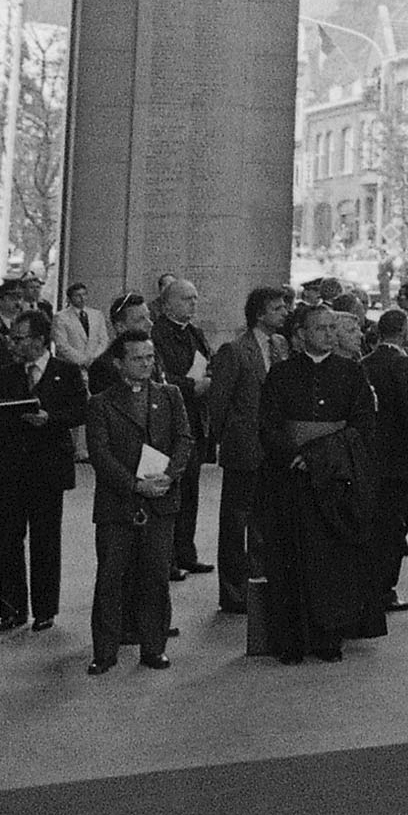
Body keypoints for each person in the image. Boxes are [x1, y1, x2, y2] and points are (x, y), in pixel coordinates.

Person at [257, 304, 379, 663]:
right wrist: (292, 455)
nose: (328, 334)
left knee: (331, 565)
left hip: (334, 481)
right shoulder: (280, 375)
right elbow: (268, 424)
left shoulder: (351, 373)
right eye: (320, 328)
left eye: (331, 328)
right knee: (290, 560)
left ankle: (328, 639)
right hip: (290, 479)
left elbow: (361, 426)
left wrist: (319, 457)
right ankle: (291, 642)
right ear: (301, 334)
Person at [84, 330, 194, 675]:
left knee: (155, 577)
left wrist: (170, 476)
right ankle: (105, 651)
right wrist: (134, 485)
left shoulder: (170, 395)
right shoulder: (101, 403)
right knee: (111, 578)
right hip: (118, 504)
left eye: (150, 357)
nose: (146, 364)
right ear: (119, 364)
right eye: (138, 358)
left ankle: (153, 646)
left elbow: (184, 440)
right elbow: (100, 454)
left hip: (161, 500)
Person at [0, 310, 90, 631]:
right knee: (8, 542)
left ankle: (45, 610)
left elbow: (80, 410)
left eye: (20, 338)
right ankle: (12, 611)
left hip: (47, 469)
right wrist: (12, 416)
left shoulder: (65, 373)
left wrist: (50, 418)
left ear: (41, 340)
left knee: (45, 541)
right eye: (12, 338)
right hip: (9, 468)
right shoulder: (3, 374)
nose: (13, 344)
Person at [199, 286, 289, 614]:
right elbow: (219, 401)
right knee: (236, 524)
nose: (284, 313)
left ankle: (260, 585)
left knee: (265, 523)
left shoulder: (281, 346)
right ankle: (233, 592)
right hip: (244, 447)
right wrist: (226, 438)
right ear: (260, 313)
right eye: (278, 308)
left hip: (273, 448)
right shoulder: (235, 351)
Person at [362, 309, 408, 614]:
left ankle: (370, 585)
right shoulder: (403, 363)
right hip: (401, 456)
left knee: (378, 523)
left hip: (375, 453)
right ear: (404, 330)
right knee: (395, 525)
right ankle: (386, 589)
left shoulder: (367, 363)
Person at [149, 277, 212, 577]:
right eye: (187, 298)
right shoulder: (157, 334)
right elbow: (159, 375)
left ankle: (186, 552)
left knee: (190, 491)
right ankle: (168, 557)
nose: (194, 303)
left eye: (195, 298)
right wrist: (191, 385)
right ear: (168, 302)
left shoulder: (196, 333)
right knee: (171, 490)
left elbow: (207, 362)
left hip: (194, 420)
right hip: (171, 418)